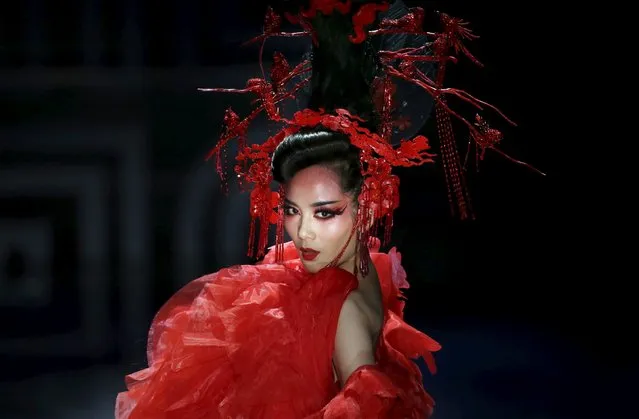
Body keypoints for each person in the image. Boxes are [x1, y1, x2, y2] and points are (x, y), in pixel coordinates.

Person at [115, 1, 537, 417]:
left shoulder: (344, 306)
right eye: (292, 210)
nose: (302, 233)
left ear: (368, 200)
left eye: (325, 212)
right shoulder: (365, 270)